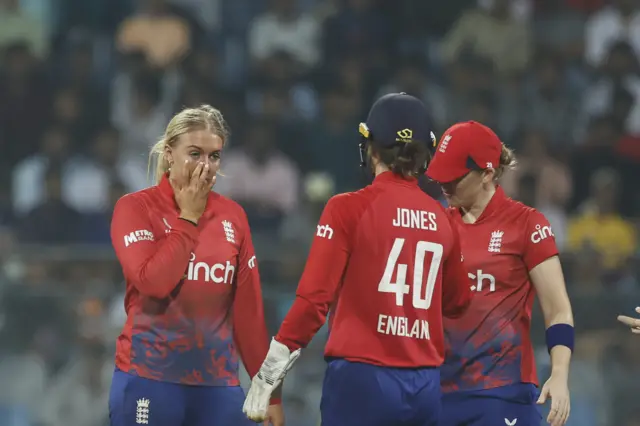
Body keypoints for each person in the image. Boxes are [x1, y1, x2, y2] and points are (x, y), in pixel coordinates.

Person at [243, 93, 473, 426]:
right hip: (425, 385)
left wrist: (268, 375)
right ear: (426, 155)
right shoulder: (445, 220)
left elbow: (312, 303)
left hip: (362, 380)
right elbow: (458, 303)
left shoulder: (347, 209)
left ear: (371, 147)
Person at [108, 105, 284, 426]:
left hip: (217, 385)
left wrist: (269, 392)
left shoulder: (233, 216)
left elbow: (250, 315)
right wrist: (188, 217)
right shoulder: (135, 208)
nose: (205, 165)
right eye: (194, 153)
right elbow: (153, 282)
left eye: (214, 156)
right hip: (149, 379)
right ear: (169, 153)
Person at [425, 121, 574, 426]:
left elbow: (558, 310)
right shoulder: (434, 224)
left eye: (454, 176)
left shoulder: (527, 224)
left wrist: (559, 376)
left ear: (487, 173)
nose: (443, 183)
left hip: (503, 392)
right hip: (436, 393)